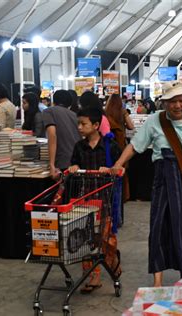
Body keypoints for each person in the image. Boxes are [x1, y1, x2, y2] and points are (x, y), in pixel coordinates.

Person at [111, 81, 182, 286]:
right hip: (163, 178)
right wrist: (118, 164)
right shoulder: (155, 121)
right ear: (164, 103)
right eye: (172, 102)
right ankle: (157, 280)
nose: (177, 106)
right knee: (159, 225)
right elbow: (135, 146)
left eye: (181, 101)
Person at [68, 107, 122, 293]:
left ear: (96, 125)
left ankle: (112, 262)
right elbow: (73, 163)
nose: (80, 127)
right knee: (85, 238)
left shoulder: (110, 146)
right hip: (85, 198)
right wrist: (74, 167)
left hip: (105, 199)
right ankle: (93, 276)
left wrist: (111, 169)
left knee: (106, 237)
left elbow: (120, 167)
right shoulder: (79, 147)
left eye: (84, 124)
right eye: (78, 124)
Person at [42, 90, 81, 178]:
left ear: (53, 101)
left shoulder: (49, 111)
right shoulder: (74, 115)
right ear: (69, 104)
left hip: (62, 160)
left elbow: (52, 135)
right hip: (76, 160)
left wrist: (51, 164)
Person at [106, 94, 135, 202]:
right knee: (122, 170)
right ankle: (123, 195)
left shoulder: (106, 114)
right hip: (121, 144)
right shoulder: (122, 112)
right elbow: (131, 126)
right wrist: (125, 114)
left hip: (109, 144)